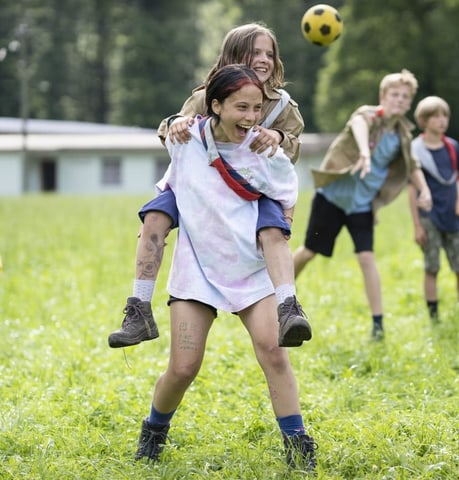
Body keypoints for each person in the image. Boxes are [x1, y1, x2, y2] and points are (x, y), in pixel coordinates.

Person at [134, 64, 317, 472]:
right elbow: (170, 186)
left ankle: (298, 443)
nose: (251, 118)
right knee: (183, 367)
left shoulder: (264, 150)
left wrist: (273, 233)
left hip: (250, 271)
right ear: (214, 106)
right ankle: (153, 431)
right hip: (197, 268)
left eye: (256, 109)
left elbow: (288, 195)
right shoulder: (188, 142)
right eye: (241, 108)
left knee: (274, 350)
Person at [108, 23, 311, 349]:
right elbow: (170, 129)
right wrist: (179, 125)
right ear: (234, 55)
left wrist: (279, 138)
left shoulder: (283, 106)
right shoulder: (208, 95)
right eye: (255, 52)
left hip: (252, 184)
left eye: (269, 54)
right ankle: (139, 309)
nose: (263, 60)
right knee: (154, 218)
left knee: (273, 231)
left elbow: (292, 152)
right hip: (200, 180)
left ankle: (288, 307)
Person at [292, 69, 432, 340]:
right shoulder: (368, 115)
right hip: (332, 198)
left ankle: (378, 324)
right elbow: (358, 123)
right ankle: (281, 295)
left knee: (367, 258)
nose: (400, 100)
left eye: (405, 97)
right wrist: (365, 154)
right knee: (309, 251)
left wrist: (424, 190)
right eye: (395, 95)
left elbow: (412, 166)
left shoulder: (402, 134)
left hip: (362, 205)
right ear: (383, 96)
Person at [408, 96, 459, 322]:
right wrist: (416, 225)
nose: (442, 121)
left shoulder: (453, 147)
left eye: (444, 116)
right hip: (429, 217)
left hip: (452, 216)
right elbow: (411, 190)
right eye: (436, 116)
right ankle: (434, 316)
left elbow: (457, 178)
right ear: (424, 121)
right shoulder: (415, 149)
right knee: (431, 267)